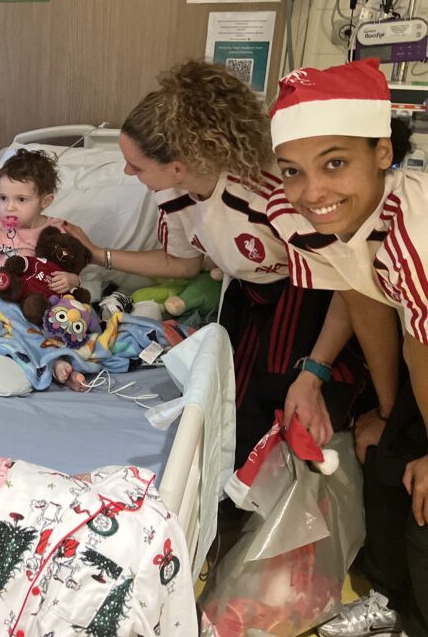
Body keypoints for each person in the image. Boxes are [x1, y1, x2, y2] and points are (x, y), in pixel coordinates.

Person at [68, 60, 368, 467]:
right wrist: (96, 253)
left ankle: (356, 399)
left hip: (308, 287)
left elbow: (346, 284)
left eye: (135, 166)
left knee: (280, 385)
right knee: (222, 398)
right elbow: (181, 265)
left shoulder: (268, 197)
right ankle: (230, 494)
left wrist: (314, 370)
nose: (126, 172)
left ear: (177, 165)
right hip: (246, 290)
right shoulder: (170, 193)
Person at [265, 58, 426, 637]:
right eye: (292, 171)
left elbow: (421, 347)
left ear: (382, 152)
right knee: (380, 457)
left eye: (335, 163)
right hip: (418, 346)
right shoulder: (306, 216)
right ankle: (390, 600)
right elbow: (360, 293)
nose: (313, 192)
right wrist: (384, 410)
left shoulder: (413, 229)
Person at [0, 148, 88, 390]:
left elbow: (73, 266)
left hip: (44, 300)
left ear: (45, 200)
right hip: (4, 295)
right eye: (3, 198)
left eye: (21, 200)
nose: (9, 208)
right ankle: (54, 362)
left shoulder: (56, 233)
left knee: (73, 319)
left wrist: (72, 280)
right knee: (7, 315)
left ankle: (71, 360)